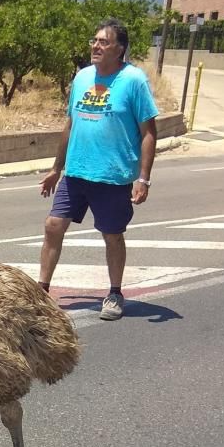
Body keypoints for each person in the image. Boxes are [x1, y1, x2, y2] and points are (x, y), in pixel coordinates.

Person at [38, 18, 158, 321]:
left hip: (113, 176)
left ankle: (115, 293)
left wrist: (143, 178)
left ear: (120, 49)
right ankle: (41, 292)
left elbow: (149, 133)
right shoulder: (81, 78)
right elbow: (71, 123)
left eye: (103, 42)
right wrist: (56, 167)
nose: (95, 46)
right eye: (94, 40)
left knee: (112, 234)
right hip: (76, 173)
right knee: (53, 226)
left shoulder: (133, 81)